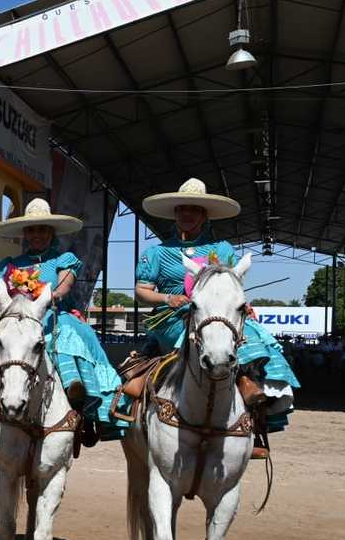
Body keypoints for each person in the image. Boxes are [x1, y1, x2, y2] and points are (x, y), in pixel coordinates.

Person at [127, 178, 299, 458]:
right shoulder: (156, 252)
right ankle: (133, 409)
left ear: (204, 215)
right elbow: (141, 291)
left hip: (216, 314)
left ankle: (253, 417)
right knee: (199, 339)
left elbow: (231, 287)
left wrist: (243, 306)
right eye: (182, 209)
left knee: (251, 338)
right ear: (175, 213)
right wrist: (168, 299)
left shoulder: (223, 249)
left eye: (194, 209)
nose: (187, 214)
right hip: (173, 318)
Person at [0, 198, 123, 445]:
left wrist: (42, 298)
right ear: (25, 233)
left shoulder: (64, 259)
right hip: (20, 321)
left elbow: (63, 287)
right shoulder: (10, 265)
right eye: (31, 229)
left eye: (42, 229)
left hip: (53, 314)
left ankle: (79, 399)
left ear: (51, 232)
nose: (36, 235)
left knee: (65, 334)